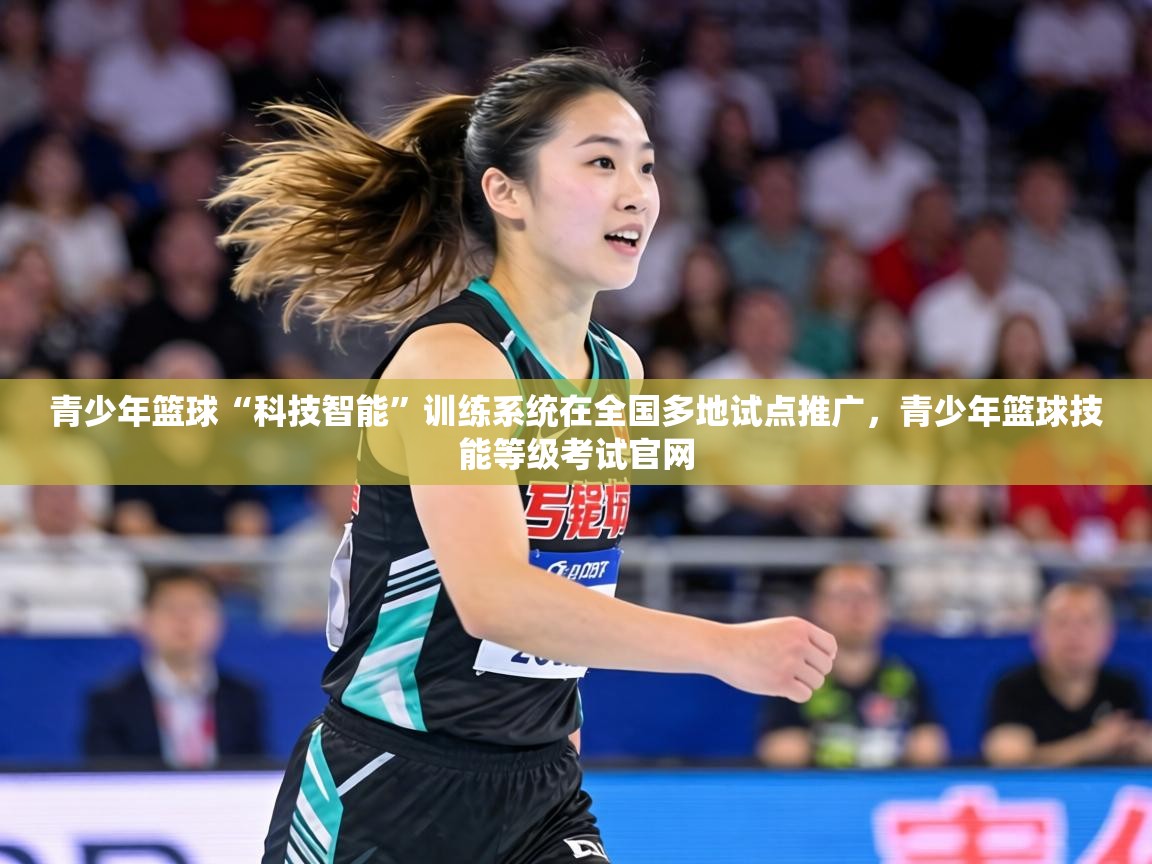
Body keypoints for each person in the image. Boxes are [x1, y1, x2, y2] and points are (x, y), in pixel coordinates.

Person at [213, 51, 837, 864]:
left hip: (539, 788)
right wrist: (724, 649)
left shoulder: (616, 367)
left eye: (646, 166)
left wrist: (556, 721)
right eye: (601, 163)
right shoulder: (455, 360)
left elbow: (570, 577)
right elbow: (496, 598)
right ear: (506, 193)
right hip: (390, 790)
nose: (636, 193)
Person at [757, 563, 948, 768]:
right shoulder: (797, 677)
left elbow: (930, 748)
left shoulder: (906, 678)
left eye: (865, 597)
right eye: (843, 597)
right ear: (817, 607)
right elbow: (781, 750)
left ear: (884, 607)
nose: (855, 608)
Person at [83, 569, 266, 768]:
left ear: (218, 622)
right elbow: (106, 776)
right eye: (170, 608)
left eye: (195, 608)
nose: (183, 619)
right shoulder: (110, 701)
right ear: (145, 621)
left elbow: (254, 772)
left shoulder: (242, 697)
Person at [983, 582, 1152, 766]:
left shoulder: (1122, 688)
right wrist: (1092, 744)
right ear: (1038, 635)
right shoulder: (1015, 688)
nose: (1074, 634)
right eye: (1061, 622)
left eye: (1087, 622)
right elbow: (1007, 757)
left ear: (1108, 636)